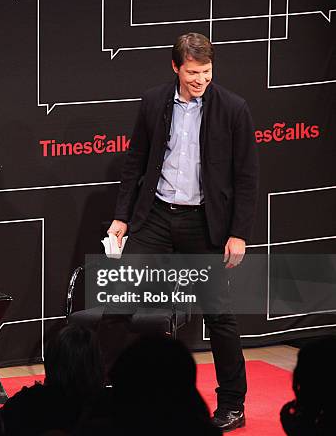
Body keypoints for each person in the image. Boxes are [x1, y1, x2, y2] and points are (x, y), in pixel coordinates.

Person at [107, 32, 259, 431]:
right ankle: (127, 393)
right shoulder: (153, 101)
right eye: (192, 72)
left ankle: (232, 404)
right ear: (175, 67)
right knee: (126, 301)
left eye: (206, 72)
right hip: (155, 216)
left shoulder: (234, 109)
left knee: (220, 315)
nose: (200, 80)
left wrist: (239, 232)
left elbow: (246, 177)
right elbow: (134, 163)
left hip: (204, 224)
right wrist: (122, 217)